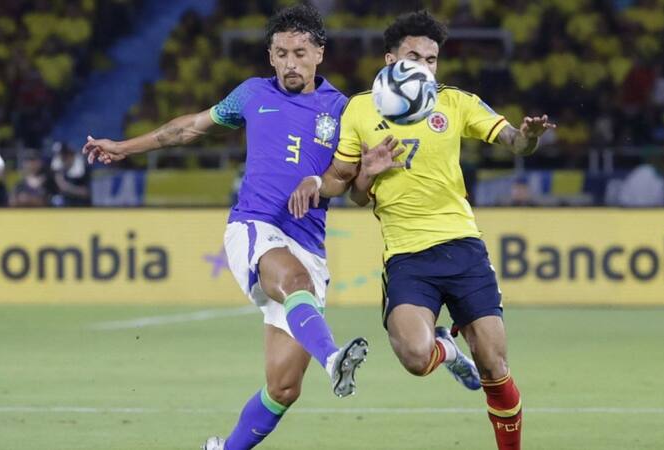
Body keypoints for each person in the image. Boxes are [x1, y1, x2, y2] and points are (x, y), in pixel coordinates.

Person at [80, 6, 368, 450]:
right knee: (294, 280)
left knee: (283, 388)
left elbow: (348, 181)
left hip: (307, 243)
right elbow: (187, 129)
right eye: (281, 53)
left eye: (300, 52)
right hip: (254, 228)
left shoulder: (344, 110)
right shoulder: (252, 94)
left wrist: (361, 175)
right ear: (270, 57)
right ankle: (333, 359)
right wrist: (123, 147)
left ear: (319, 54)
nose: (291, 62)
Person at [289, 11, 555, 450]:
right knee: (415, 357)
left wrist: (529, 137)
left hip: (463, 247)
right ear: (390, 58)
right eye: (414, 56)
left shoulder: (454, 102)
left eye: (431, 59)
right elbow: (350, 192)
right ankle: (447, 350)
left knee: (494, 364)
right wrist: (366, 174)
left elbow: (514, 141)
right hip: (408, 256)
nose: (424, 66)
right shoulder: (359, 109)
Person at [50, 141, 91, 207]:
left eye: (64, 156)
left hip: (81, 206)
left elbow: (86, 192)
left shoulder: (83, 167)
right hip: (64, 204)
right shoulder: (57, 165)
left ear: (70, 155)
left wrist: (67, 188)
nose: (61, 159)